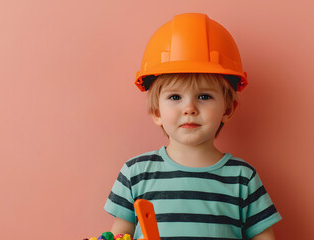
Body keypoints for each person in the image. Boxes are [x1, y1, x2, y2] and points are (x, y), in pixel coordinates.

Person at [103, 13, 282, 239]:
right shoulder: (135, 173)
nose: (189, 108)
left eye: (204, 96)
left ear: (227, 109)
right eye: (175, 97)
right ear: (157, 112)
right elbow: (119, 234)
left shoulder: (242, 178)